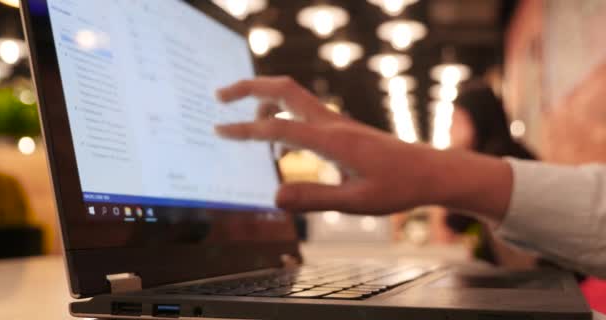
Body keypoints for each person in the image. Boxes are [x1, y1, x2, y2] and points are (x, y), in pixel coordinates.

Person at [214, 76, 606, 278]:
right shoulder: (501, 167)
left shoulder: (511, 159)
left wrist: (430, 171)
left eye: (456, 120)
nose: (450, 131)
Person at [440, 85, 537, 266]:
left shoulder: (496, 159)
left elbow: (456, 221)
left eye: (456, 120)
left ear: (477, 119)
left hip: (535, 275)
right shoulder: (514, 150)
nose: (450, 130)